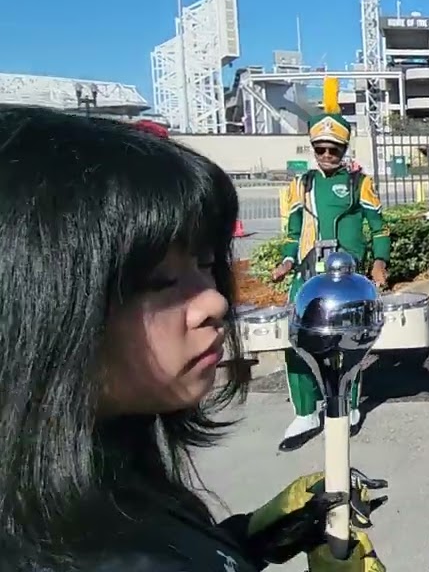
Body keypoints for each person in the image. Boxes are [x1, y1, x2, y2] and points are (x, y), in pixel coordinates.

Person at [0, 107, 384, 572]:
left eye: (206, 265)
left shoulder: (109, 473)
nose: (215, 302)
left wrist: (256, 537)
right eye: (161, 280)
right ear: (32, 304)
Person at [271, 79, 390, 452]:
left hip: (346, 279)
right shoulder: (300, 184)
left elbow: (379, 226)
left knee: (346, 342)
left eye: (334, 148)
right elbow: (292, 233)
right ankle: (306, 412)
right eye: (321, 148)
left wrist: (380, 262)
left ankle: (348, 406)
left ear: (343, 148)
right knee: (295, 341)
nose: (327, 154)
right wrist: (287, 260)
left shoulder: (359, 182)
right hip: (308, 277)